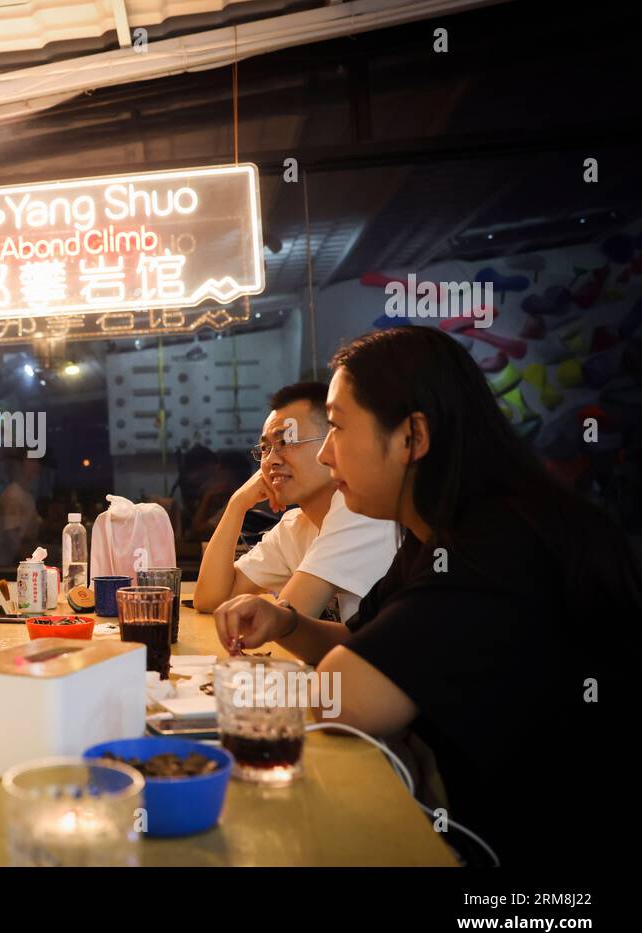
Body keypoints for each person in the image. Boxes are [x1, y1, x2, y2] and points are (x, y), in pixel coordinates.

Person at [212, 327, 642, 866]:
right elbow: (356, 639)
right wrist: (285, 623)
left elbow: (346, 699)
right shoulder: (433, 533)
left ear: (413, 437)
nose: (324, 455)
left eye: (338, 428)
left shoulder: (494, 542)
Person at [193, 382, 398, 622]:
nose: (270, 460)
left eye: (287, 442)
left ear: (332, 443)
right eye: (264, 448)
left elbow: (278, 622)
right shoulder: (295, 527)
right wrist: (237, 505)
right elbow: (210, 599)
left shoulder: (360, 513)